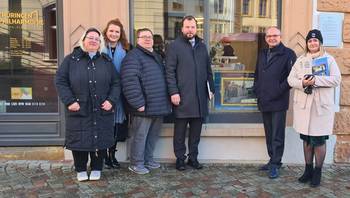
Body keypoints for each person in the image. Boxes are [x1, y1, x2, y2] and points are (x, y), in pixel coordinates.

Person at [55, 28, 120, 181]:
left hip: (102, 108)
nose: (93, 41)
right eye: (90, 38)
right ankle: (80, 168)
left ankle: (97, 167)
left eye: (97, 39)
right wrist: (70, 101)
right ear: (83, 40)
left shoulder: (106, 61)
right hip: (79, 108)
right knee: (80, 138)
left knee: (101, 137)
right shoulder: (70, 60)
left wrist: (111, 100)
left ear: (100, 43)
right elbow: (60, 81)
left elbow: (116, 83)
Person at [287, 29, 341, 187]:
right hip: (304, 107)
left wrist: (316, 80)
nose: (312, 43)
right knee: (307, 141)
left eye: (315, 41)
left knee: (318, 141)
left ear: (320, 43)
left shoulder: (329, 59)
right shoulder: (301, 59)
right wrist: (303, 83)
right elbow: (290, 79)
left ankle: (318, 172)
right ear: (307, 43)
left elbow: (336, 79)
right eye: (310, 41)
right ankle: (308, 170)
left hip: (320, 108)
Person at [166, 15, 215, 171]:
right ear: (182, 29)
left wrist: (211, 89)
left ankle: (193, 158)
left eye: (192, 27)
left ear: (196, 28)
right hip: (182, 97)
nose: (190, 30)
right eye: (187, 27)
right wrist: (173, 92)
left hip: (200, 98)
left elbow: (208, 71)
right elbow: (169, 72)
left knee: (195, 133)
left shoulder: (202, 46)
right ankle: (180, 159)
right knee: (179, 133)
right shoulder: (174, 46)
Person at [121, 28, 171, 174]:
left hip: (158, 105)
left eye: (150, 37)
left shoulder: (155, 55)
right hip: (143, 107)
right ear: (138, 40)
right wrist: (138, 103)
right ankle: (136, 163)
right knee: (140, 136)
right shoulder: (133, 57)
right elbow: (130, 82)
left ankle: (148, 160)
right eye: (144, 37)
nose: (148, 39)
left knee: (152, 136)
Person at [253, 26, 297, 178]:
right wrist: (257, 90)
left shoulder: (288, 54)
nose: (272, 38)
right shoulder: (263, 53)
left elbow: (291, 79)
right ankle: (272, 159)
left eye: (275, 35)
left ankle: (276, 164)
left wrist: (277, 90)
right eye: (269, 36)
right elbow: (257, 74)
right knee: (269, 132)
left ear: (280, 37)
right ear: (266, 38)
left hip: (278, 101)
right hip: (264, 100)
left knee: (277, 134)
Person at [102, 18, 130, 169]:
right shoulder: (99, 48)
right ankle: (105, 156)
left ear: (121, 34)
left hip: (119, 95)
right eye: (111, 31)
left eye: (117, 31)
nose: (113, 34)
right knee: (104, 126)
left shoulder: (125, 49)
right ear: (106, 32)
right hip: (102, 94)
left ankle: (112, 154)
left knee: (116, 127)